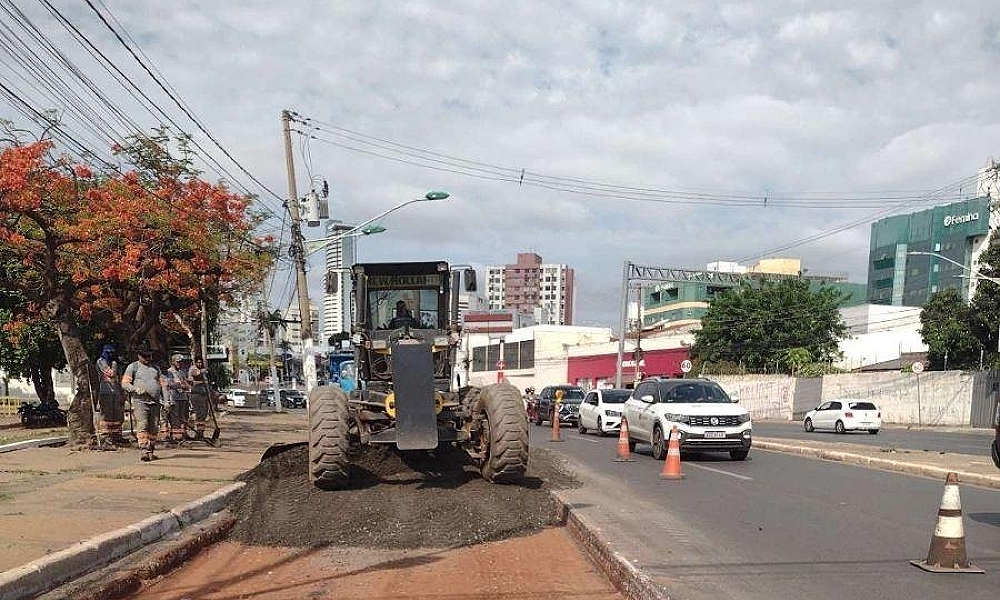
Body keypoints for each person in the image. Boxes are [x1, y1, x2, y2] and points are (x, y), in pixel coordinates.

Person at [121, 349, 165, 461]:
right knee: (143, 424)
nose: (147, 359)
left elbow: (163, 384)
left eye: (149, 356)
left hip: (155, 402)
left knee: (154, 426)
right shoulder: (133, 367)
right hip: (140, 401)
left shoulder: (156, 368)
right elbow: (125, 383)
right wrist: (135, 389)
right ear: (139, 356)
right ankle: (143, 450)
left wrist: (167, 400)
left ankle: (151, 450)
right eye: (145, 356)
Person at [95, 344, 126, 445]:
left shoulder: (115, 363)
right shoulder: (101, 361)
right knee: (107, 415)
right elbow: (111, 374)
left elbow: (119, 378)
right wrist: (115, 363)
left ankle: (117, 436)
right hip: (105, 391)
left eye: (112, 353)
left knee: (117, 415)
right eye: (109, 353)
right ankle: (105, 437)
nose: (111, 354)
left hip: (116, 391)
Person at [163, 354, 191, 446]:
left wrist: (185, 384)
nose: (180, 364)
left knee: (182, 417)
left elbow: (186, 384)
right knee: (175, 418)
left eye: (181, 362)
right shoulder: (169, 372)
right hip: (174, 398)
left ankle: (182, 436)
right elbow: (169, 384)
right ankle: (175, 437)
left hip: (183, 397)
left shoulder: (182, 372)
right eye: (178, 362)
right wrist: (180, 385)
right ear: (173, 362)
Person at [187, 357, 210, 441]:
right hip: (196, 394)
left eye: (201, 362)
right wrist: (202, 373)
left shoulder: (203, 370)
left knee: (203, 414)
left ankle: (201, 432)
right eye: (198, 362)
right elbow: (195, 375)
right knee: (199, 414)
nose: (200, 364)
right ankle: (198, 433)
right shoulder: (193, 368)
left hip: (204, 395)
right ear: (195, 362)